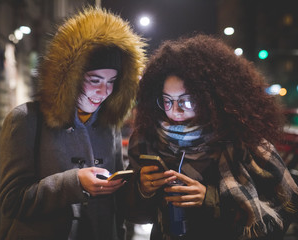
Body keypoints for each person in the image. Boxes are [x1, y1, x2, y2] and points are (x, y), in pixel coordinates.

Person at [121, 34, 298, 240]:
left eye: (186, 101)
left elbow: (282, 213)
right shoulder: (148, 141)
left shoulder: (245, 142)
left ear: (211, 99)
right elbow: (131, 213)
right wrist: (142, 189)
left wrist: (210, 200)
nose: (175, 111)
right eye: (167, 101)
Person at [0, 7, 146, 240]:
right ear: (69, 77)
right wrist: (74, 183)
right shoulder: (25, 119)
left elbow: (117, 204)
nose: (103, 91)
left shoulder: (110, 127)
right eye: (94, 80)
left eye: (112, 81)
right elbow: (11, 202)